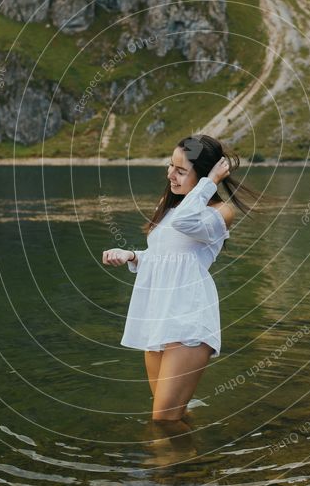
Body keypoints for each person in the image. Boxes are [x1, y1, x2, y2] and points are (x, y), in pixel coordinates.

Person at [102, 133, 264, 425]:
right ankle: (188, 467)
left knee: (163, 419)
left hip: (189, 318)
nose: (170, 175)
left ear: (204, 176)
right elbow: (164, 254)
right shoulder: (171, 205)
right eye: (170, 166)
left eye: (180, 170)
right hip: (158, 316)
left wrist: (209, 184)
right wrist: (131, 256)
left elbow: (184, 224)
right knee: (172, 416)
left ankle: (174, 469)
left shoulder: (219, 212)